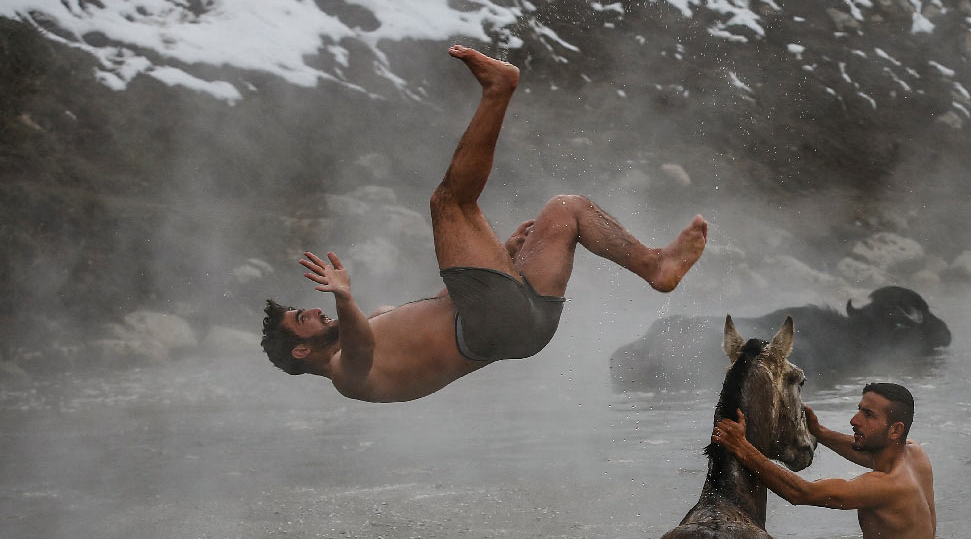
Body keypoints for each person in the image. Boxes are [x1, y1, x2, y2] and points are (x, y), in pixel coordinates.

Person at [260, 45, 709, 402]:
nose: (313, 309)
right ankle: (498, 89)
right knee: (448, 203)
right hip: (493, 325)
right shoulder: (344, 375)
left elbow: (441, 305)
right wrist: (343, 297)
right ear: (302, 350)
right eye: (303, 317)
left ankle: (654, 265)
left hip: (520, 321)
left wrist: (505, 257)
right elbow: (361, 350)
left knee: (566, 208)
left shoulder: (376, 320)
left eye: (309, 308)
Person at [711, 382, 936, 539]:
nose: (854, 420)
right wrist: (820, 433)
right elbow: (869, 454)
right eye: (859, 409)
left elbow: (800, 492)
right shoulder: (914, 453)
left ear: (896, 430)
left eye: (868, 415)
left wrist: (741, 447)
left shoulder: (886, 486)